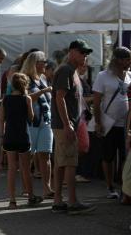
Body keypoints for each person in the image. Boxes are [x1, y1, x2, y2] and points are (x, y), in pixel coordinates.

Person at [51, 40, 96, 214]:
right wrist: (67, 124)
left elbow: (70, 98)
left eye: (86, 53)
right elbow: (59, 98)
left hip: (67, 124)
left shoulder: (73, 71)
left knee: (62, 163)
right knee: (70, 163)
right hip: (65, 125)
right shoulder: (65, 70)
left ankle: (58, 201)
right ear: (71, 52)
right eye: (82, 52)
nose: (85, 55)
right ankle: (72, 202)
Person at [92, 46, 131, 199]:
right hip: (109, 123)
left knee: (125, 157)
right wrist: (98, 122)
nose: (129, 62)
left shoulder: (129, 75)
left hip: (126, 125)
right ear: (118, 60)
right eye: (127, 59)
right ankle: (109, 186)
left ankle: (124, 188)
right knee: (108, 156)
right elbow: (96, 102)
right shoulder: (103, 76)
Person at [0, 73, 42, 209]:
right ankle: (31, 196)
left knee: (12, 168)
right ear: (25, 84)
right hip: (23, 136)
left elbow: (2, 120)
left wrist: (2, 136)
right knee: (25, 169)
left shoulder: (5, 99)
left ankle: (12, 200)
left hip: (9, 136)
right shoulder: (27, 98)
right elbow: (31, 117)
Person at [21, 51, 54, 198]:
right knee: (28, 158)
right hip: (30, 123)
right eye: (43, 61)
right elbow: (24, 99)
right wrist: (43, 91)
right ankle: (29, 190)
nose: (46, 64)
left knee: (45, 155)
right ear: (35, 63)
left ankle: (47, 188)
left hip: (45, 121)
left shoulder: (43, 78)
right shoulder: (25, 79)